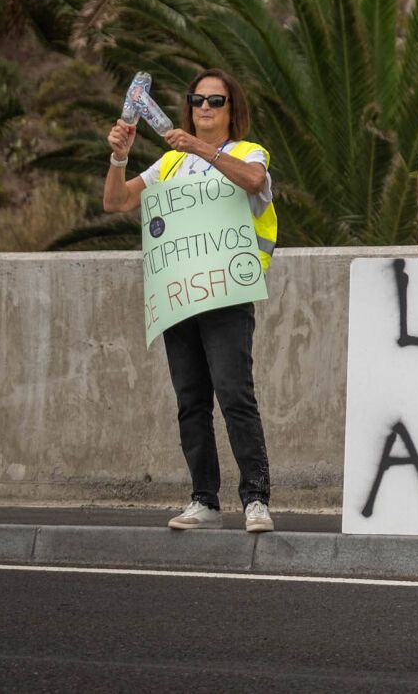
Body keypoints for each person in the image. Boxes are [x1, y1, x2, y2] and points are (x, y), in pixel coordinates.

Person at [105, 69, 278, 534]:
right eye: (196, 99)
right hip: (180, 295)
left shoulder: (248, 151)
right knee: (191, 401)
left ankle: (256, 498)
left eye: (215, 101)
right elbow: (117, 202)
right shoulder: (168, 164)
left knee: (235, 395)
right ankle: (204, 498)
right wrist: (119, 158)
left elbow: (251, 180)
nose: (204, 107)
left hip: (227, 294)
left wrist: (198, 147)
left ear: (231, 109)